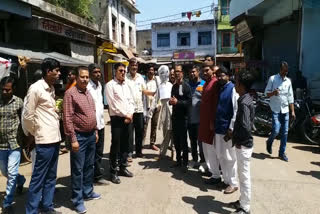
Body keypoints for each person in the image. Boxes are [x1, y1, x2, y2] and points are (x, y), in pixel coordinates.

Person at [23, 58, 62, 214]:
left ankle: (47, 207)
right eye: (57, 71)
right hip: (44, 140)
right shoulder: (35, 89)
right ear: (48, 71)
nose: (59, 73)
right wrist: (34, 133)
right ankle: (31, 211)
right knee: (38, 179)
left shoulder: (51, 88)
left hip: (55, 138)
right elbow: (27, 116)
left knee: (51, 177)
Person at [63, 66, 101, 213]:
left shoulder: (88, 93)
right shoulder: (70, 94)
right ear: (76, 78)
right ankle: (77, 200)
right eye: (82, 77)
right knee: (78, 170)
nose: (85, 79)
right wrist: (72, 139)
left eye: (86, 77)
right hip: (79, 137)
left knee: (89, 166)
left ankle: (88, 191)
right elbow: (67, 118)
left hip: (91, 135)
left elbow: (93, 113)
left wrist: (96, 131)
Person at [230, 69, 256, 214]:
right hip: (243, 143)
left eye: (237, 82)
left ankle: (245, 208)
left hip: (244, 144)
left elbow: (246, 125)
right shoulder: (245, 98)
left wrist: (239, 139)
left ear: (241, 85)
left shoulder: (244, 102)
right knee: (241, 174)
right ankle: (242, 201)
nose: (235, 84)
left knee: (244, 177)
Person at [105, 63, 135, 184]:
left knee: (126, 145)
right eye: (120, 70)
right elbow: (113, 105)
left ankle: (123, 168)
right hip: (117, 119)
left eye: (124, 71)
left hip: (128, 118)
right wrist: (126, 115)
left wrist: (131, 114)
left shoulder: (127, 85)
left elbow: (131, 101)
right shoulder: (110, 85)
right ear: (115, 72)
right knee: (115, 146)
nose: (123, 73)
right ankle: (113, 172)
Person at [0, 77, 26, 214]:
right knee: (5, 172)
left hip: (14, 143)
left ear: (13, 89)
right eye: (3, 89)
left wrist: (27, 138)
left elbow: (25, 119)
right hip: (1, 144)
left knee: (11, 172)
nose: (4, 92)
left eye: (7, 90)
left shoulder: (19, 102)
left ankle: (8, 202)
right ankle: (20, 180)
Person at [215, 66, 239, 194]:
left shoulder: (233, 89)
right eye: (218, 75)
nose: (220, 77)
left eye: (222, 75)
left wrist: (231, 128)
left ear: (228, 76)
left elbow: (236, 110)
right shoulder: (221, 88)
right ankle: (225, 180)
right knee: (220, 155)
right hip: (219, 128)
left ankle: (233, 183)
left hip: (227, 130)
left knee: (230, 157)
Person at [264, 61, 295, 162]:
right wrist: (273, 92)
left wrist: (292, 111)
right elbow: (266, 94)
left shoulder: (288, 81)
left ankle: (281, 153)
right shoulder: (273, 79)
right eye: (284, 71)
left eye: (287, 72)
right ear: (280, 69)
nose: (285, 73)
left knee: (285, 132)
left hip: (285, 109)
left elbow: (291, 97)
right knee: (276, 130)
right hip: (275, 109)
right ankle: (269, 141)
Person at [126, 58, 154, 159]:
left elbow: (144, 90)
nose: (134, 67)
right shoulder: (125, 78)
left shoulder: (140, 78)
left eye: (136, 65)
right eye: (132, 65)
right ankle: (129, 153)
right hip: (129, 110)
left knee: (140, 131)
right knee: (129, 133)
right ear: (129, 66)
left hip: (139, 109)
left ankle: (138, 151)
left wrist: (153, 93)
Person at [87, 63, 109, 186]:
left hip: (100, 124)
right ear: (90, 74)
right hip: (91, 126)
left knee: (99, 152)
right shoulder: (87, 87)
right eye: (95, 72)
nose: (98, 74)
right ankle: (93, 177)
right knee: (92, 153)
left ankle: (97, 175)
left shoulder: (99, 85)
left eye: (99, 72)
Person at [198, 64, 220, 182]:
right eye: (204, 71)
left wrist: (213, 121)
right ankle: (212, 172)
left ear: (213, 71)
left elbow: (216, 104)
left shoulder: (215, 83)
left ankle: (216, 175)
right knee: (205, 148)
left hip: (210, 122)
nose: (205, 73)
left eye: (207, 70)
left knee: (211, 149)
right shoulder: (206, 83)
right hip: (204, 121)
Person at [169, 64, 192, 172]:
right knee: (176, 141)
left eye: (178, 71)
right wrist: (171, 101)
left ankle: (185, 163)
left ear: (182, 73)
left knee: (183, 142)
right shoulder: (174, 86)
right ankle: (178, 160)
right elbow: (172, 99)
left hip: (184, 118)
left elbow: (189, 102)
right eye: (175, 72)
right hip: (175, 117)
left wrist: (178, 102)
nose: (177, 73)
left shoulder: (187, 86)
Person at [21, 70, 43, 172]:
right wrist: (31, 134)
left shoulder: (46, 92)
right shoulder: (32, 93)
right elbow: (26, 117)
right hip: (36, 135)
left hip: (45, 135)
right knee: (37, 166)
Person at [187, 65, 206, 168]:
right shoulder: (188, 84)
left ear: (198, 72)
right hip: (190, 119)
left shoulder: (203, 84)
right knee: (192, 142)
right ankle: (194, 160)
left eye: (194, 72)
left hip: (200, 120)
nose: (192, 74)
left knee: (201, 143)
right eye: (190, 72)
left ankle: (203, 162)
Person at [143, 65, 160, 151]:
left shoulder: (157, 80)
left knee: (154, 125)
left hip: (156, 106)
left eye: (152, 70)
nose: (151, 72)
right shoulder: (143, 80)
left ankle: (152, 143)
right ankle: (141, 144)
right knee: (144, 126)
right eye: (149, 70)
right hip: (147, 107)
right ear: (147, 72)